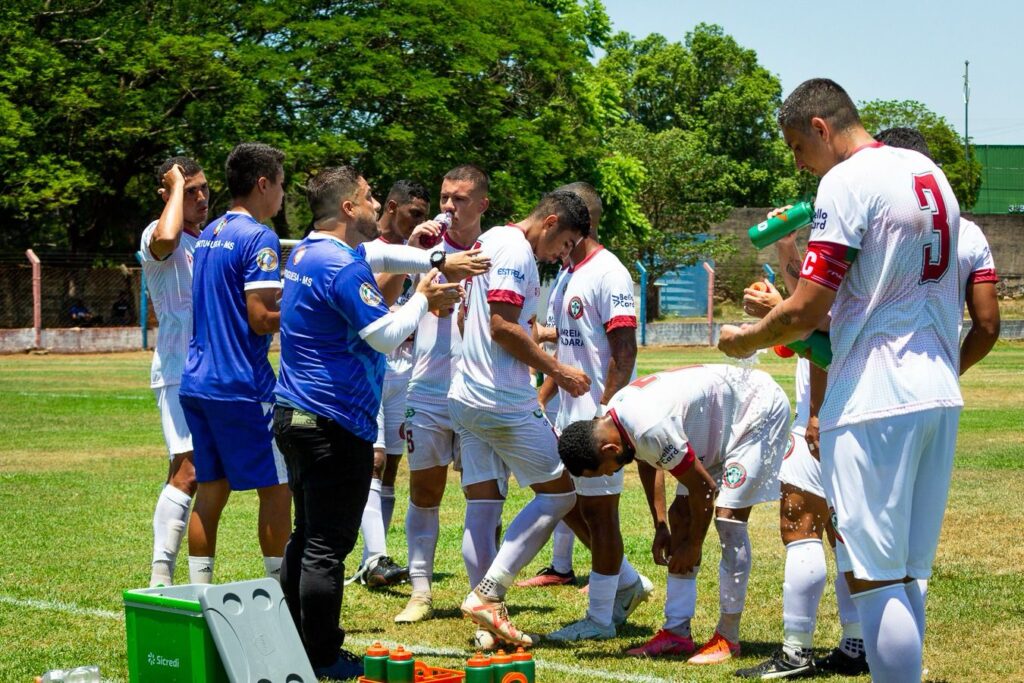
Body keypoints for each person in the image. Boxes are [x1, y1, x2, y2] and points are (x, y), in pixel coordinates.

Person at [719, 79, 963, 682]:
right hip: (939, 389)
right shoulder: (927, 173)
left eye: (798, 147)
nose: (800, 162)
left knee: (876, 581)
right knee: (906, 576)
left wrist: (743, 341)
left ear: (821, 129)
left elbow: (806, 308)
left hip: (877, 395)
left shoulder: (846, 181)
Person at [272, 165, 486, 680]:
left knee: (306, 537)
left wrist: (439, 259)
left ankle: (292, 643)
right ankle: (322, 657)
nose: (376, 207)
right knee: (327, 546)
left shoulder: (308, 249)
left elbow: (385, 254)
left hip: (294, 416)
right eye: (368, 199)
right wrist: (425, 298)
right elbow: (386, 336)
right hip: (332, 424)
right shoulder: (341, 269)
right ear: (348, 208)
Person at [559, 364, 790, 664]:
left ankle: (728, 637)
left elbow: (704, 490)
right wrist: (661, 525)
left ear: (609, 448)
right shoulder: (618, 417)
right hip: (716, 421)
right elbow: (646, 460)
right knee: (681, 516)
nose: (611, 473)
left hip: (756, 411)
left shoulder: (648, 426)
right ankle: (677, 634)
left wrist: (694, 546)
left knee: (728, 519)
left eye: (605, 470)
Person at [452, 190, 592, 647]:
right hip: (500, 400)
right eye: (566, 243)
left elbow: (465, 319)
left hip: (465, 393)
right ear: (550, 222)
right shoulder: (514, 249)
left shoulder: (489, 239)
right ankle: (488, 596)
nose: (562, 254)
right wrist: (558, 370)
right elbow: (502, 326)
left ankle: (488, 623)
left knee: (483, 504)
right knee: (560, 494)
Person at [526, 183, 652, 643]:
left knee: (600, 518)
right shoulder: (567, 274)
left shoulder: (610, 273)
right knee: (566, 504)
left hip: (597, 422)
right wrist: (545, 394)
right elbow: (571, 346)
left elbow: (624, 347)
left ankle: (599, 620)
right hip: (567, 416)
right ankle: (629, 583)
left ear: (582, 226)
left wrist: (606, 413)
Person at [179, 142, 291, 585]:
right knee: (277, 488)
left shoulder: (209, 234)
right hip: (242, 385)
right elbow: (261, 319)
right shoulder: (258, 237)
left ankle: (199, 594)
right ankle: (283, 595)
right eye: (280, 185)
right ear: (263, 184)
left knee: (210, 492)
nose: (282, 195)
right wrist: (307, 308)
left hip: (198, 382)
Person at [394, 165, 494, 630]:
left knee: (484, 495)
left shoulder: (496, 251)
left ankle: (485, 592)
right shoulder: (423, 250)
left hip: (477, 388)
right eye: (444, 197)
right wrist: (412, 254)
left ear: (482, 205)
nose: (448, 206)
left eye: (459, 198)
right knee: (425, 490)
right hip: (428, 388)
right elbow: (386, 306)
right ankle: (420, 589)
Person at [347, 179, 432, 589]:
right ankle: (374, 557)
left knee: (392, 465)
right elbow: (377, 306)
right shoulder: (368, 249)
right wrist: (411, 255)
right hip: (373, 369)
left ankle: (374, 556)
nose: (421, 222)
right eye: (414, 213)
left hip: (407, 371)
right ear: (393, 208)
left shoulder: (419, 254)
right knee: (373, 461)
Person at [138, 156, 210, 587]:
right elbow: (166, 236)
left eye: (204, 189)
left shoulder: (207, 241)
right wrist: (176, 188)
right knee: (188, 470)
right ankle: (160, 574)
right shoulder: (157, 232)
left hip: (212, 369)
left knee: (204, 473)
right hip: (178, 370)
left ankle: (190, 575)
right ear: (167, 194)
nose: (200, 198)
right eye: (190, 190)